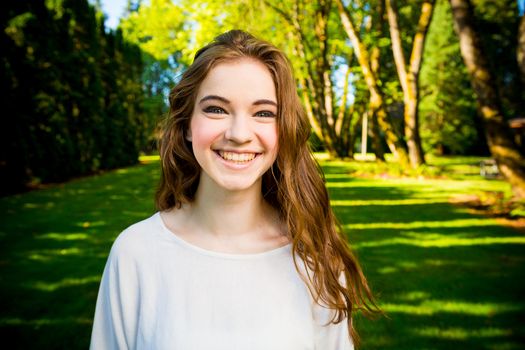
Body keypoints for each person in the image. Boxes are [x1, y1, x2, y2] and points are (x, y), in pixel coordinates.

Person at [90, 29, 379, 350]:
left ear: (283, 129)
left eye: (264, 113)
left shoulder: (314, 259)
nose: (239, 133)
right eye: (216, 109)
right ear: (187, 124)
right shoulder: (136, 253)